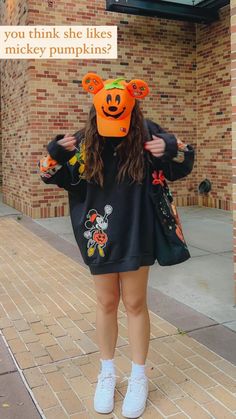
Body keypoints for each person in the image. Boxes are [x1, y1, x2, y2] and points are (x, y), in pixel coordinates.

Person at [38, 73, 192, 418]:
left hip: (138, 229)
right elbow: (46, 173)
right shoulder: (82, 142)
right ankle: (107, 372)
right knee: (106, 302)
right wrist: (53, 154)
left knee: (135, 303)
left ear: (133, 106)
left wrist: (173, 149)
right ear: (95, 108)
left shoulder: (148, 135)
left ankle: (138, 376)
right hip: (99, 233)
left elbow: (183, 163)